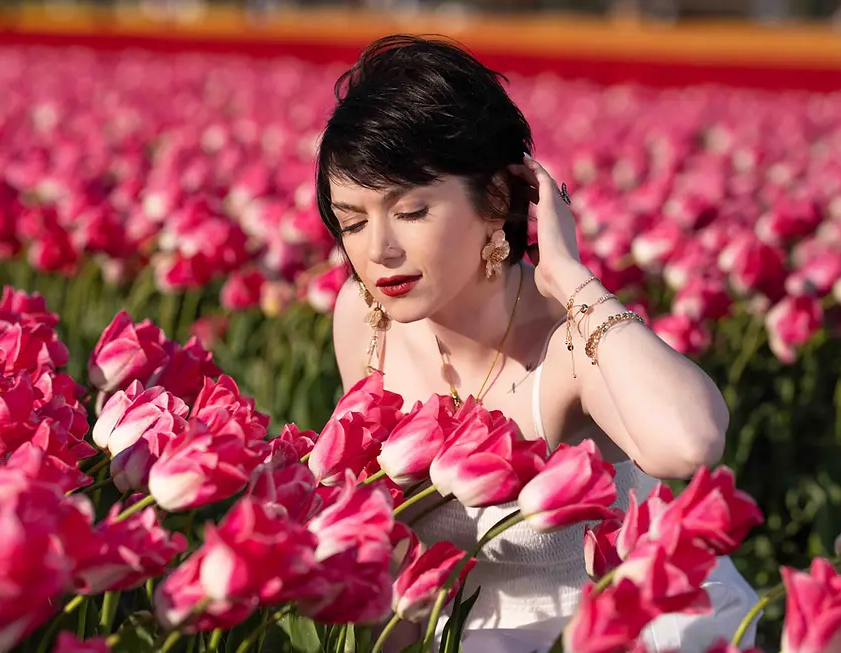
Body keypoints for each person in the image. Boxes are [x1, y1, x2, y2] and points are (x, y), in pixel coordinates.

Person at [317, 34, 759, 652]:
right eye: (354, 221)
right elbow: (384, 540)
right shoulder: (366, 321)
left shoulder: (565, 343)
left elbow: (691, 445)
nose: (378, 250)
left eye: (411, 212)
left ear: (497, 198)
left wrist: (571, 278)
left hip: (601, 634)